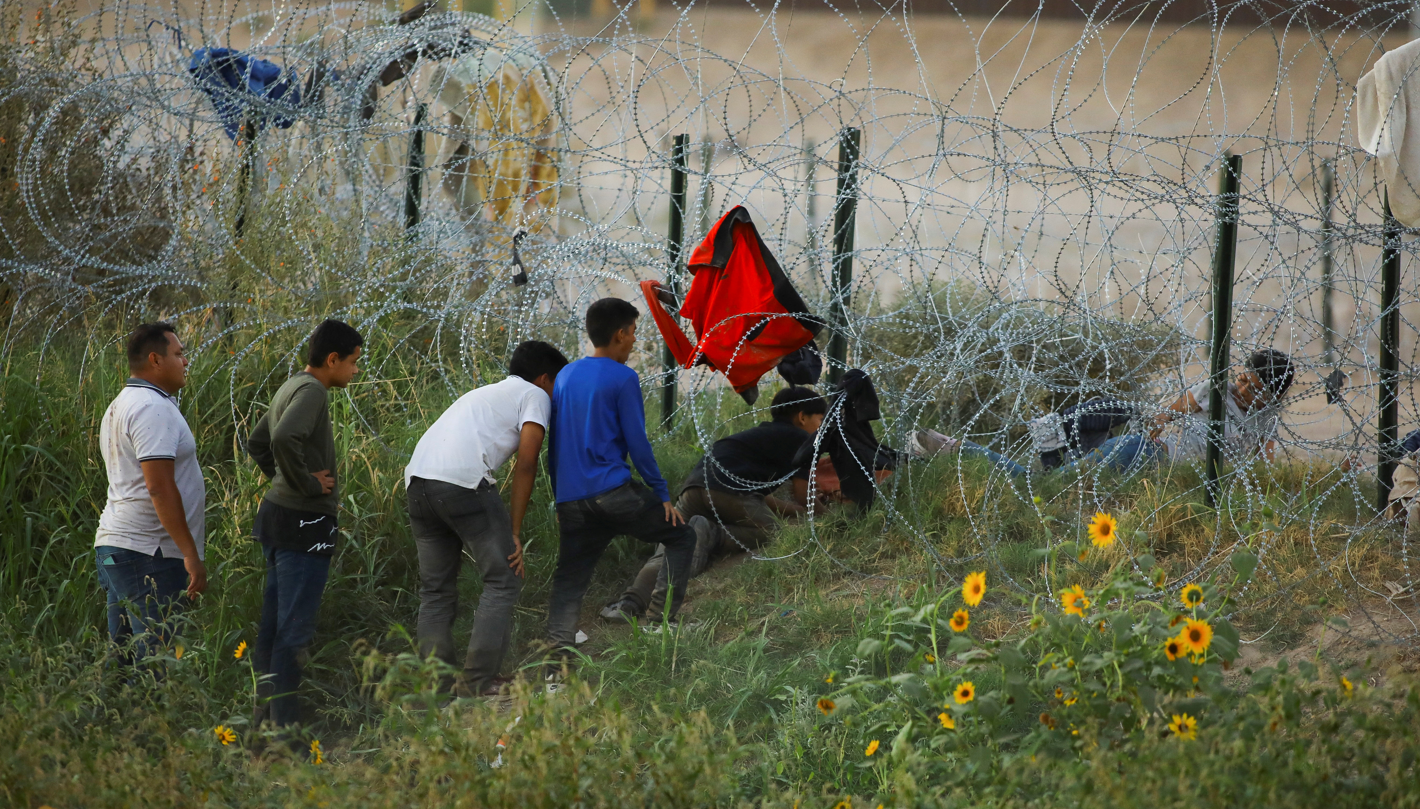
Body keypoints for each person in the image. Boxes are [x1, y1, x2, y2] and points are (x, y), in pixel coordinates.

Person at [404, 340, 569, 696]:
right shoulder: (535, 395)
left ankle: (437, 688)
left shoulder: (487, 393)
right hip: (462, 483)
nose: (559, 396)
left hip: (417, 482)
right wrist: (513, 531)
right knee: (503, 579)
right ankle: (478, 681)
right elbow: (527, 463)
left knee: (435, 591)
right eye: (558, 384)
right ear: (544, 378)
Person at [544, 298, 697, 660]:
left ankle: (555, 670)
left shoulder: (565, 375)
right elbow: (638, 444)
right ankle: (661, 622)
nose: (634, 342)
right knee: (681, 535)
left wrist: (560, 496)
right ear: (619, 334)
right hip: (613, 493)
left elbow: (555, 445)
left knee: (569, 581)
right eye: (632, 334)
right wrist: (661, 493)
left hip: (572, 498)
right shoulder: (623, 377)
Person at [600, 386, 827, 623]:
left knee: (671, 547)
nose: (822, 428)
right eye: (820, 420)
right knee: (772, 532)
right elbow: (805, 494)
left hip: (695, 489)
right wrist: (826, 514)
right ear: (802, 417)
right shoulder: (803, 439)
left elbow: (758, 498)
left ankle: (629, 602)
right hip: (730, 492)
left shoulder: (760, 436)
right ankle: (712, 533)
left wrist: (797, 512)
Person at [247, 319, 362, 728]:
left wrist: (284, 482)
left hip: (278, 516)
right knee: (293, 633)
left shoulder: (290, 385)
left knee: (273, 627)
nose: (355, 370)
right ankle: (286, 737)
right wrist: (306, 484)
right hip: (303, 522)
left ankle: (262, 724)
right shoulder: (313, 391)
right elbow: (280, 441)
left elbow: (257, 442)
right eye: (352, 362)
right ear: (332, 360)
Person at [95, 322, 208, 668]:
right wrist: (190, 554)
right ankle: (148, 721)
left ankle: (112, 720)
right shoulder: (152, 408)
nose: (186, 361)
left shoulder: (123, 403)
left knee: (124, 658)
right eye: (179, 353)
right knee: (156, 663)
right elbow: (158, 486)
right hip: (148, 553)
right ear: (156, 360)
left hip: (121, 548)